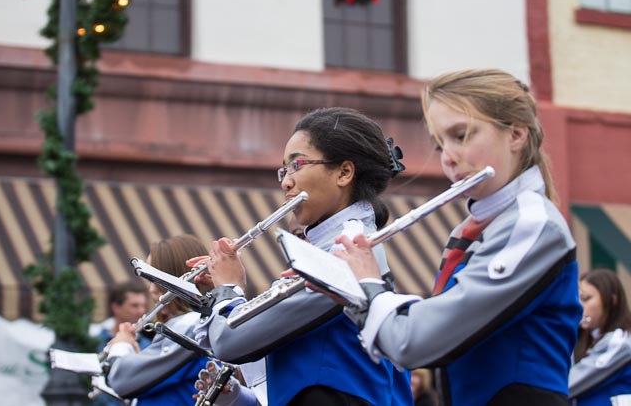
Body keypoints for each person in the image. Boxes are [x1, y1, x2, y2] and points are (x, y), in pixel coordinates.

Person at [320, 69, 582, 405]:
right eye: (439, 143)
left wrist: (369, 284)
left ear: (516, 134)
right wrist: (350, 286)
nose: (448, 157)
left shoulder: (533, 224)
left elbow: (416, 341)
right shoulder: (474, 227)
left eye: (461, 135)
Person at [192, 107, 413, 406]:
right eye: (284, 170)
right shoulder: (332, 248)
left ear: (345, 172)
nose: (285, 182)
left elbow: (230, 341)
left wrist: (228, 290)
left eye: (297, 165)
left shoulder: (347, 251)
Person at [103, 234, 257, 406]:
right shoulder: (201, 322)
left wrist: (121, 346)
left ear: (174, 278)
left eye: (154, 279)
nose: (152, 290)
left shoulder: (188, 325)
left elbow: (122, 380)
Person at [568, 268, 631, 405]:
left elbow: (569, 385)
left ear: (612, 300)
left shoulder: (619, 341)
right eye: (577, 298)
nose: (579, 305)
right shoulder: (592, 339)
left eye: (586, 298)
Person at [90, 281, 151, 353]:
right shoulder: (94, 342)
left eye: (144, 306)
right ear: (115, 307)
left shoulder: (148, 345)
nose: (142, 311)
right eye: (134, 306)